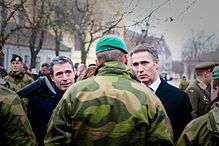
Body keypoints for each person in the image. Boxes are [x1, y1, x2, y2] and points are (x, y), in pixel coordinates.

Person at [45, 35, 174, 146]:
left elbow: (55, 139)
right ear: (125, 59)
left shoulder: (74, 92)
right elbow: (163, 141)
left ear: (97, 62)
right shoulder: (148, 96)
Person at [129, 43, 192, 142]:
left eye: (144, 63)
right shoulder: (129, 95)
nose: (140, 69)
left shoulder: (179, 97)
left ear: (156, 63)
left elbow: (186, 136)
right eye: (135, 64)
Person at [27, 56, 75, 146]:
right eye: (59, 74)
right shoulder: (39, 102)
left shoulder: (85, 98)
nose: (65, 78)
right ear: (52, 77)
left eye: (68, 72)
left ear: (74, 72)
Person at [177, 65, 219, 146]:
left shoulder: (204, 88)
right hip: (200, 132)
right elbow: (192, 114)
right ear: (206, 74)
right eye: (212, 74)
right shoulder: (193, 89)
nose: (212, 77)